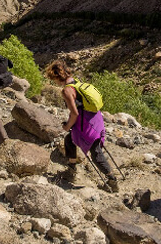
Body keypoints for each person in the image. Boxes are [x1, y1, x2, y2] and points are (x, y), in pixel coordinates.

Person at [46, 60, 119, 193]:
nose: (54, 82)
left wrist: (67, 126)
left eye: (53, 79)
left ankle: (112, 180)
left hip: (86, 124)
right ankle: (72, 168)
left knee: (95, 152)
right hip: (95, 119)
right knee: (69, 140)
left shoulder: (67, 91)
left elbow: (74, 113)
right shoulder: (78, 83)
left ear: (57, 76)